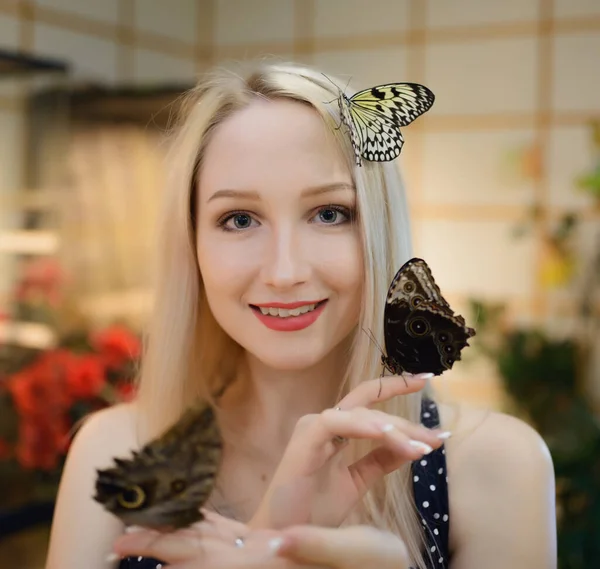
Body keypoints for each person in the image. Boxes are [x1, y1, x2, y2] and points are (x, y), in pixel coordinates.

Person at [44, 60, 557, 569]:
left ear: (378, 234)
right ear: (192, 246)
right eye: (239, 219)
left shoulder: (496, 464)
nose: (284, 271)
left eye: (330, 214)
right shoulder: (116, 452)